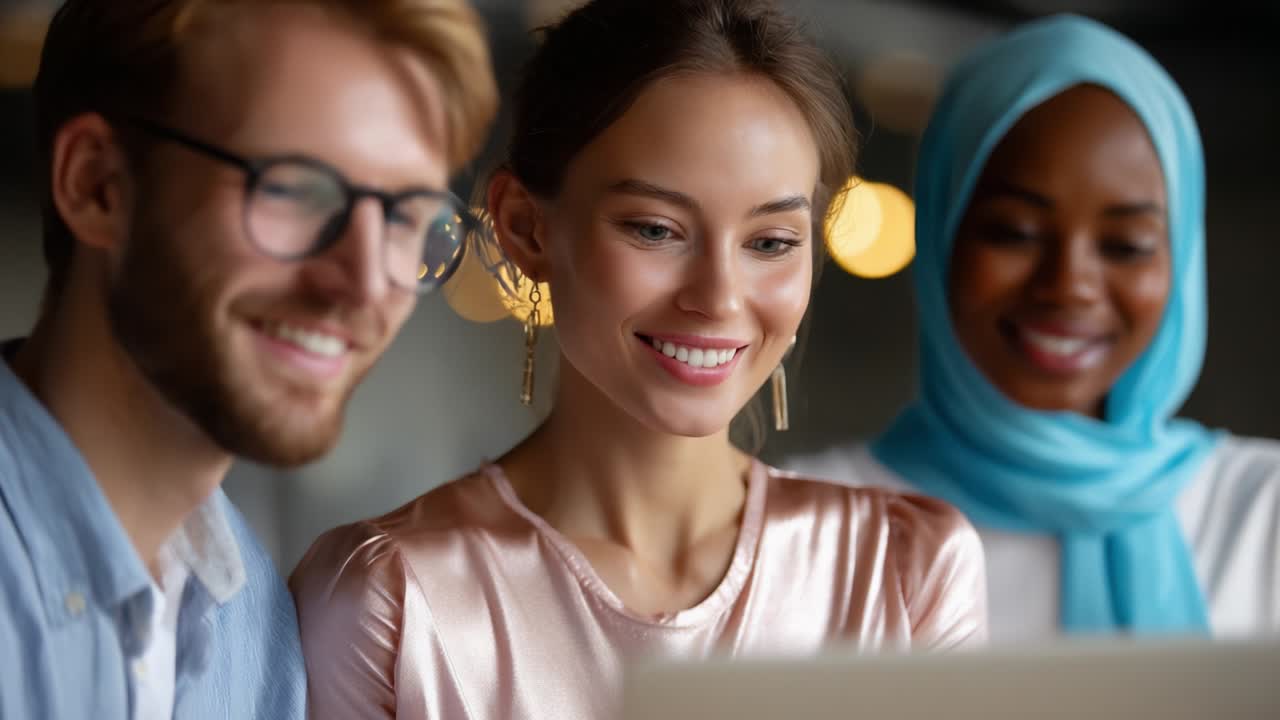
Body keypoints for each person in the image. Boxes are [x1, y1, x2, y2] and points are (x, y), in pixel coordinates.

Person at [290, 1, 987, 718]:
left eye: (771, 241)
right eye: (656, 229)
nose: (719, 298)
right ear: (526, 228)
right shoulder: (392, 599)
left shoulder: (903, 569)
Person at [0, 1, 497, 718]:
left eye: (404, 217)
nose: (364, 283)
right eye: (296, 188)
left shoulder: (254, 629)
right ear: (98, 185)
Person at [788, 14, 1280, 641]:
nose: (1069, 284)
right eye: (1014, 232)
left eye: (1126, 244)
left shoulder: (1262, 514)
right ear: (943, 238)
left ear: (1181, 259)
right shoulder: (808, 524)